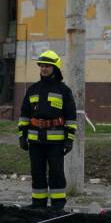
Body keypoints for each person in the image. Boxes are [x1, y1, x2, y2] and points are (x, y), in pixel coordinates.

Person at [17, 50, 78, 210]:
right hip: (35, 140)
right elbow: (24, 115)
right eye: (42, 66)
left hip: (56, 141)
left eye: (47, 66)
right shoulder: (32, 89)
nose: (44, 69)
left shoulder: (64, 91)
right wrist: (22, 136)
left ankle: (58, 205)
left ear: (55, 68)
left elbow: (71, 118)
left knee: (56, 172)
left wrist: (69, 139)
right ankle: (38, 204)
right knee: (37, 172)